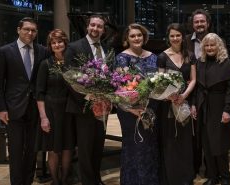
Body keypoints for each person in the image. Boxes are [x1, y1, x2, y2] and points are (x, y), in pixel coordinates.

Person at [0, 17, 49, 185]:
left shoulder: (42, 51)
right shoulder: (5, 51)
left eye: (33, 30)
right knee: (16, 151)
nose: (30, 33)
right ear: (18, 30)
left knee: (32, 150)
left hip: (35, 108)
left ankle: (28, 181)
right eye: (27, 29)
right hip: (12, 108)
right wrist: (1, 108)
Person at [64, 14, 109, 185]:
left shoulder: (106, 48)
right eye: (93, 25)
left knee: (98, 146)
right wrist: (89, 96)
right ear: (87, 27)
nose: (95, 29)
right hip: (83, 106)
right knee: (85, 148)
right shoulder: (75, 47)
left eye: (99, 26)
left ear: (103, 30)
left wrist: (106, 96)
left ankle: (96, 179)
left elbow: (110, 76)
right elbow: (69, 77)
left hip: (102, 105)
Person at [114, 23, 159, 185]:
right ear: (127, 39)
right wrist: (132, 109)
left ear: (144, 37)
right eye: (132, 36)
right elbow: (119, 88)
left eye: (139, 35)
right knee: (134, 145)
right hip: (130, 111)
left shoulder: (154, 57)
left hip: (151, 108)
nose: (136, 38)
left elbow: (157, 82)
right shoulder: (121, 58)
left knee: (149, 145)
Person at [191, 33, 230, 185]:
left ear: (218, 46)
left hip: (219, 106)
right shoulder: (200, 62)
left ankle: (225, 176)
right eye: (207, 45)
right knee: (207, 143)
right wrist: (194, 105)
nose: (209, 48)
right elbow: (197, 88)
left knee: (220, 144)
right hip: (203, 106)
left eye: (212, 45)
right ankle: (213, 176)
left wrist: (227, 109)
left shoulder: (226, 62)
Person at [157, 23, 196, 185]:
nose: (175, 38)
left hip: (184, 102)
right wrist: (172, 97)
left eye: (178, 35)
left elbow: (193, 79)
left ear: (183, 36)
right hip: (168, 104)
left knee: (185, 140)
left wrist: (184, 96)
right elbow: (161, 82)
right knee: (170, 140)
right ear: (168, 37)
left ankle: (186, 176)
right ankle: (172, 177)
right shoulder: (162, 56)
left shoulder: (190, 55)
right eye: (172, 35)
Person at [36, 29, 75, 185]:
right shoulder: (45, 64)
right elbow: (39, 93)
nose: (57, 45)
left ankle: (65, 180)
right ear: (50, 46)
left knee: (68, 147)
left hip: (70, 111)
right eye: (53, 43)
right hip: (51, 112)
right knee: (53, 148)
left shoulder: (73, 62)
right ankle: (56, 181)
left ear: (65, 43)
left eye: (60, 41)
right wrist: (43, 117)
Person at [185, 9, 212, 176]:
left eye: (202, 21)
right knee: (192, 132)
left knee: (208, 131)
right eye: (197, 22)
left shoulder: (215, 40)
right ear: (192, 24)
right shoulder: (186, 40)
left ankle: (211, 168)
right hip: (190, 91)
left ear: (207, 23)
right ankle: (194, 167)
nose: (200, 24)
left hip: (209, 92)